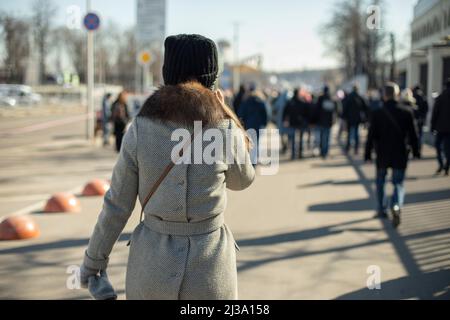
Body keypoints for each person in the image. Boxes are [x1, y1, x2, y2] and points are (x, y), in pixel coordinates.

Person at [80, 34, 255, 300]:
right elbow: (242, 180)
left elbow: (117, 205)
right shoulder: (223, 129)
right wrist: (228, 115)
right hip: (209, 271)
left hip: (151, 269)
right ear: (211, 78)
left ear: (167, 73)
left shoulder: (141, 128)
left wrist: (94, 263)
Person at [365, 82, 420, 228]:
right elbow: (413, 135)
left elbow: (371, 136)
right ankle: (396, 205)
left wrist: (367, 155)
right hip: (400, 153)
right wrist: (416, 152)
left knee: (380, 182)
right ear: (397, 95)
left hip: (382, 154)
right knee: (398, 183)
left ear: (384, 96)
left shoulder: (377, 113)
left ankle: (382, 209)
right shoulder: (407, 112)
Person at [238, 83, 268, 164]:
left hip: (248, 125)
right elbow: (265, 113)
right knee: (257, 142)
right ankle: (255, 159)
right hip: (258, 125)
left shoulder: (246, 101)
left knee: (248, 143)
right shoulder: (260, 100)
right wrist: (264, 123)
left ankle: (250, 160)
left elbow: (240, 114)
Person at [283, 88, 310, 159]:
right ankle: (300, 154)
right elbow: (307, 113)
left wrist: (285, 121)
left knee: (293, 139)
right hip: (300, 123)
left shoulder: (290, 102)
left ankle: (293, 155)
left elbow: (285, 112)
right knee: (300, 139)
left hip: (293, 123)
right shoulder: (302, 102)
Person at [431, 79, 450, 176]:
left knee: (438, 146)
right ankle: (447, 166)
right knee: (448, 148)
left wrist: (432, 127)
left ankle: (441, 164)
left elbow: (435, 113)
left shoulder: (440, 97)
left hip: (440, 128)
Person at [343, 85, 368, 155]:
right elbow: (365, 107)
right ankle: (356, 148)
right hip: (357, 118)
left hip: (349, 118)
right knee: (356, 134)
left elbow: (345, 108)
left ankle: (348, 147)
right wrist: (365, 118)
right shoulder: (359, 97)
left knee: (349, 133)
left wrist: (344, 117)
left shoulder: (349, 97)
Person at [316, 86, 338, 159]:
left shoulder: (320, 98)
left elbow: (317, 110)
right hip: (329, 121)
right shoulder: (332, 99)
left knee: (322, 137)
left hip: (321, 121)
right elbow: (336, 110)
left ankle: (322, 151)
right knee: (327, 137)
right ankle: (325, 152)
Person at [412, 85, 429, 154]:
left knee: (414, 135)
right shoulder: (423, 97)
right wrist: (423, 117)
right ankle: (419, 150)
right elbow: (426, 109)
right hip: (421, 119)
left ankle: (415, 150)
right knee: (420, 135)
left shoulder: (413, 97)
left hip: (414, 119)